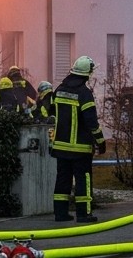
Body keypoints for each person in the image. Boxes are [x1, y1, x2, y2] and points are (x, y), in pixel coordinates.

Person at [50, 55, 105, 222]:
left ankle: (60, 214)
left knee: (62, 179)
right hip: (80, 148)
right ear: (86, 74)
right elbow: (91, 123)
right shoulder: (84, 93)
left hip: (60, 146)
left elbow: (52, 115)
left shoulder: (59, 90)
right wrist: (101, 142)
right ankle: (83, 214)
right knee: (83, 179)